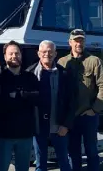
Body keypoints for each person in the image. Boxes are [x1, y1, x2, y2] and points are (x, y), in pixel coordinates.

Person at [57, 29, 103, 171]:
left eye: (81, 40)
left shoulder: (94, 61)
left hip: (87, 116)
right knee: (72, 153)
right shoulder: (62, 62)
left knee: (92, 152)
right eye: (76, 40)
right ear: (70, 42)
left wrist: (95, 109)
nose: (79, 43)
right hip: (69, 117)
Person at [27, 40, 76, 171]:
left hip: (59, 127)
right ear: (38, 53)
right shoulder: (29, 73)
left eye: (50, 52)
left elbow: (71, 101)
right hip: (39, 128)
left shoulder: (64, 74)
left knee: (64, 163)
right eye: (43, 52)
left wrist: (66, 125)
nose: (46, 54)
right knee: (40, 164)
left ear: (55, 54)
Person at [0, 40, 40, 171]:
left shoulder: (30, 77)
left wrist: (19, 95)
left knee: (23, 168)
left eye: (17, 53)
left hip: (25, 133)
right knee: (1, 168)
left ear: (21, 55)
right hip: (4, 134)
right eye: (11, 54)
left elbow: (38, 97)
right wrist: (25, 95)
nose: (14, 56)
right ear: (5, 57)